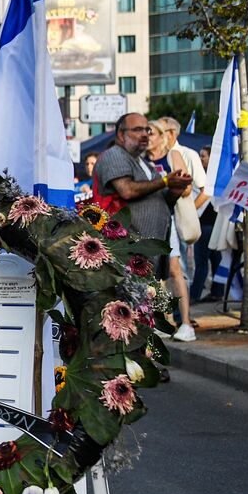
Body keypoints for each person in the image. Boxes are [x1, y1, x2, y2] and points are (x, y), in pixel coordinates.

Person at [93, 113, 193, 332]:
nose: (144, 135)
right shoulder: (114, 155)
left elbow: (157, 199)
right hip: (125, 250)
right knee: (125, 312)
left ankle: (141, 357)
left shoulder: (144, 162)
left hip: (146, 253)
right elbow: (127, 190)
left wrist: (174, 190)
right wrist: (166, 180)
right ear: (121, 134)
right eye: (137, 130)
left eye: (147, 130)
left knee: (141, 311)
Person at [154, 117, 207, 339]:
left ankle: (184, 321)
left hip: (173, 219)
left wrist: (191, 210)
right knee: (157, 275)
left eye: (155, 131)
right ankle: (165, 319)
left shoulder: (181, 154)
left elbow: (197, 189)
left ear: (169, 134)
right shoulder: (144, 158)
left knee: (177, 269)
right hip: (153, 219)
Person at [190, 145, 222, 302]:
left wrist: (191, 210)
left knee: (202, 261)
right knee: (215, 259)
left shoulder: (208, 178)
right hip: (212, 223)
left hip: (207, 224)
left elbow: (205, 194)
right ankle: (217, 292)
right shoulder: (211, 174)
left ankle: (194, 295)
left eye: (203, 156)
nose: (200, 158)